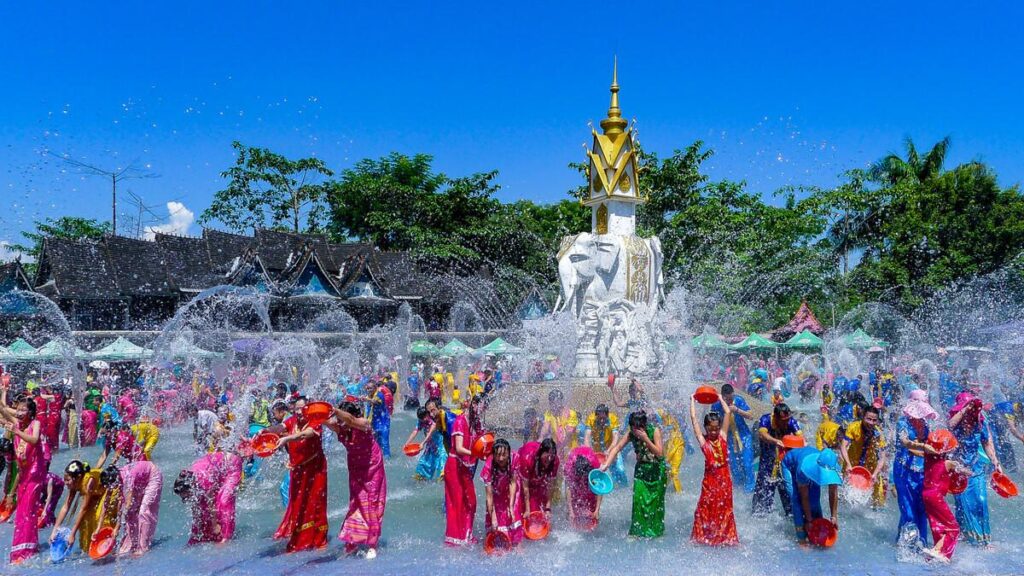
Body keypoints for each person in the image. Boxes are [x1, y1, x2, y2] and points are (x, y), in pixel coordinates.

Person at [324, 401, 387, 559]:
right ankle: (352, 542)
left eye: (340, 418)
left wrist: (335, 411)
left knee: (371, 504)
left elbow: (351, 420)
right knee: (356, 504)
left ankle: (372, 544)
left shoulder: (364, 423)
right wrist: (315, 413)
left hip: (372, 468)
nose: (338, 423)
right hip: (355, 469)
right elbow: (324, 421)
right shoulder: (342, 428)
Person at [274, 397, 329, 552]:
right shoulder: (292, 421)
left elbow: (307, 434)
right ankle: (299, 539)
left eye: (302, 408)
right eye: (296, 409)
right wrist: (263, 432)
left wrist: (287, 438)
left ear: (309, 409)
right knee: (298, 503)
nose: (298, 412)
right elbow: (279, 428)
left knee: (316, 502)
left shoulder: (315, 420)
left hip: (315, 469)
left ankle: (319, 540)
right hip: (298, 470)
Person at [599, 411, 666, 538]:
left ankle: (656, 533)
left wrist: (646, 438)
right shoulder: (631, 434)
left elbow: (659, 453)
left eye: (638, 428)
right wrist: (606, 464)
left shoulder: (654, 431)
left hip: (657, 471)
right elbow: (617, 447)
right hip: (641, 470)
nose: (636, 431)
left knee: (656, 504)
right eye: (633, 428)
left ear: (644, 425)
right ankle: (637, 532)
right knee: (638, 501)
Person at [948, 391, 1000, 546]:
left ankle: (984, 539)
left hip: (976, 468)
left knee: (981, 501)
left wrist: (995, 462)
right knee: (963, 505)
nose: (972, 410)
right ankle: (967, 535)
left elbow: (986, 443)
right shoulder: (956, 422)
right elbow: (949, 425)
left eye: (973, 407)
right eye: (968, 407)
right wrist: (963, 410)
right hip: (958, 469)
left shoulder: (980, 422)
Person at [0, 393, 45, 564]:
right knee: (21, 514)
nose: (19, 413)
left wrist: (16, 430)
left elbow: (34, 440)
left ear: (30, 412)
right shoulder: (16, 426)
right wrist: (10, 494)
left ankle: (25, 552)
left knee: (27, 512)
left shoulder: (35, 424)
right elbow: (3, 410)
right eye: (17, 410)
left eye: (23, 410)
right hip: (24, 475)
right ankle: (25, 549)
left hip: (35, 475)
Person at [429, 397, 481, 546]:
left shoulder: (476, 422)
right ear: (469, 404)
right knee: (457, 503)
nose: (479, 409)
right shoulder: (458, 421)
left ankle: (466, 534)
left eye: (482, 406)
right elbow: (458, 448)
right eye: (476, 405)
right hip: (454, 466)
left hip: (465, 465)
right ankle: (457, 539)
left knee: (470, 501)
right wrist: (477, 453)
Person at [689, 393, 738, 546]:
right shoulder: (704, 442)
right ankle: (705, 537)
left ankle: (726, 538)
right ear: (706, 428)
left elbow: (728, 412)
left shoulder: (723, 437)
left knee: (725, 509)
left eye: (716, 428)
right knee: (705, 507)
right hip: (709, 482)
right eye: (711, 429)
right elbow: (694, 421)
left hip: (724, 480)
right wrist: (692, 401)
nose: (714, 432)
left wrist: (720, 398)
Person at [893, 389, 937, 546]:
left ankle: (919, 542)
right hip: (903, 471)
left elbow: (930, 445)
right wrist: (924, 448)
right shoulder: (902, 423)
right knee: (908, 509)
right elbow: (905, 442)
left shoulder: (925, 424)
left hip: (920, 472)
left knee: (921, 509)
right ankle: (906, 547)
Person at [921, 429, 971, 563]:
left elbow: (915, 450)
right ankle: (937, 551)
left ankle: (933, 557)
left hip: (926, 494)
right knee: (954, 528)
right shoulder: (948, 463)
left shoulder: (927, 458)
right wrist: (968, 472)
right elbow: (965, 471)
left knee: (938, 526)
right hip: (935, 496)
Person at [176, 448, 243, 544]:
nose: (185, 500)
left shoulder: (204, 480)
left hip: (231, 465)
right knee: (201, 506)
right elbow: (195, 509)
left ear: (191, 489)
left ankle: (225, 537)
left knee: (223, 501)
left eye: (186, 497)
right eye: (183, 498)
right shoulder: (190, 481)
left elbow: (211, 505)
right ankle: (204, 535)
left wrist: (215, 525)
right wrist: (196, 532)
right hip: (216, 470)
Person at [100, 459, 163, 556]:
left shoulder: (127, 478)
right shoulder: (114, 478)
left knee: (143, 511)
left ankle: (143, 547)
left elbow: (127, 504)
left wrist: (117, 527)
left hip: (152, 476)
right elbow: (107, 503)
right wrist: (98, 527)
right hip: (140, 479)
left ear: (114, 480)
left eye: (110, 486)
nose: (110, 489)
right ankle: (129, 545)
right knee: (131, 514)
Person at [780, 447, 843, 543]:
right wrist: (809, 520)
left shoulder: (833, 466)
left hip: (809, 461)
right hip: (789, 465)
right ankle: (801, 538)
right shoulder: (803, 469)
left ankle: (815, 526)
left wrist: (833, 516)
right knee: (796, 499)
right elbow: (804, 497)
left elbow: (833, 492)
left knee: (815, 499)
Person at [752, 403, 800, 516]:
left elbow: (801, 438)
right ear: (776, 417)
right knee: (763, 493)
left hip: (785, 464)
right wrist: (775, 441)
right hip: (767, 462)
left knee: (788, 492)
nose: (786, 422)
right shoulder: (766, 420)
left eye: (787, 419)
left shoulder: (791, 421)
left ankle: (792, 516)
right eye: (783, 420)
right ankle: (758, 516)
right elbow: (762, 434)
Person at [839, 405, 889, 508]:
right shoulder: (853, 427)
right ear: (863, 417)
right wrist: (848, 464)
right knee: (846, 493)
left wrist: (875, 474)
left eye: (874, 420)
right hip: (851, 463)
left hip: (870, 466)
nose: (871, 422)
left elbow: (882, 457)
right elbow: (843, 446)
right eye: (868, 419)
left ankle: (874, 512)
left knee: (878, 498)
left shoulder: (878, 434)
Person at [711, 384, 756, 493]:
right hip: (729, 439)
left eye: (732, 397)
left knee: (747, 463)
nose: (730, 400)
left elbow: (751, 416)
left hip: (744, 436)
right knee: (734, 466)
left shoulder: (739, 400)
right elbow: (712, 422)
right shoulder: (717, 405)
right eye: (728, 398)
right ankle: (739, 489)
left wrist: (737, 410)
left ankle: (750, 490)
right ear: (723, 396)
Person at [483, 438, 524, 544]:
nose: (500, 458)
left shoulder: (515, 458)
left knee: (513, 513)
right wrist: (493, 518)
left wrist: (510, 506)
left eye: (504, 455)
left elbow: (513, 483)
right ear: (493, 455)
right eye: (497, 455)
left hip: (511, 489)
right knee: (494, 525)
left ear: (509, 453)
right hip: (495, 492)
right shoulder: (488, 467)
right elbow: (489, 496)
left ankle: (517, 543)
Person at [583, 404, 627, 486]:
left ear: (607, 415)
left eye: (604, 418)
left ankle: (624, 489)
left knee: (619, 471)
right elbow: (586, 438)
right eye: (599, 418)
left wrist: (609, 450)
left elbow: (615, 439)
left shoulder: (612, 419)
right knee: (596, 474)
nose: (602, 421)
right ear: (596, 416)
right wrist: (589, 452)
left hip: (612, 450)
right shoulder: (591, 419)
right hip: (597, 452)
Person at [516, 438, 559, 517]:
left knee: (539, 507)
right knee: (521, 504)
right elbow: (525, 488)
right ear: (541, 453)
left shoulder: (555, 461)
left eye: (552, 456)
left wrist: (548, 508)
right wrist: (527, 510)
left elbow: (550, 486)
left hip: (536, 470)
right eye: (547, 456)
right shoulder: (527, 458)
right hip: (521, 465)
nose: (549, 459)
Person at [564, 445, 601, 531]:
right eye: (580, 477)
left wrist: (597, 510)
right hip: (575, 464)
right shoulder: (569, 467)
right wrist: (571, 511)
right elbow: (568, 488)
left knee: (592, 502)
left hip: (589, 462)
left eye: (583, 477)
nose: (581, 480)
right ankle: (570, 517)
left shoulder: (595, 465)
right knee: (574, 502)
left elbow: (599, 488)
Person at [407, 407, 445, 482]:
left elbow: (430, 433)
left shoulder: (433, 420)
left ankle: (442, 479)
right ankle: (421, 478)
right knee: (423, 462)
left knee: (441, 461)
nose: (424, 419)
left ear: (427, 414)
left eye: (424, 417)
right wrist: (407, 443)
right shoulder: (421, 421)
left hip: (440, 444)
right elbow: (415, 431)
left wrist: (422, 443)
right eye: (421, 418)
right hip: (430, 445)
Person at [369, 379, 393, 459]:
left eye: (370, 388)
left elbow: (377, 402)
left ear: (375, 388)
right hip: (375, 422)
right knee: (376, 442)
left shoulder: (380, 395)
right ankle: (378, 458)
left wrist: (367, 400)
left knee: (384, 441)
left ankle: (387, 459)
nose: (369, 390)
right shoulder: (369, 396)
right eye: (367, 388)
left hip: (384, 421)